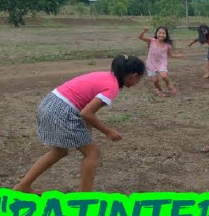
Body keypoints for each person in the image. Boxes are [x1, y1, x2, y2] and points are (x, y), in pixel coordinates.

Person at [12, 55, 145, 193]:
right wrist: (108, 131)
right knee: (92, 153)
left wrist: (87, 131)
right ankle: (85, 197)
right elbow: (87, 113)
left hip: (50, 104)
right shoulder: (112, 87)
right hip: (61, 112)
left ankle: (23, 186)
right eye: (139, 78)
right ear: (133, 76)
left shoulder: (105, 76)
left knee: (59, 151)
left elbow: (85, 107)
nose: (138, 81)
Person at [138, 26, 182, 97]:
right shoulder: (152, 40)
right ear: (156, 33)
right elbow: (140, 37)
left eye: (163, 33)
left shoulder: (167, 45)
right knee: (155, 80)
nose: (161, 35)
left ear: (166, 35)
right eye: (159, 33)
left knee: (164, 76)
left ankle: (169, 84)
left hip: (161, 63)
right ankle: (159, 89)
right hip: (151, 63)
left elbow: (170, 55)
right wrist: (144, 31)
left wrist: (177, 56)